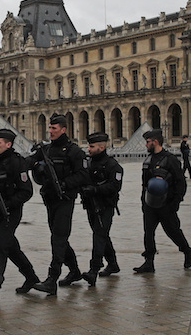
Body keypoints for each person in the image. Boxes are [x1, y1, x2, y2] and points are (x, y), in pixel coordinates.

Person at [0, 129, 40, 305]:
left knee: (0, 248)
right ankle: (31, 277)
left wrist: (8, 203)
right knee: (11, 247)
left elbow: (26, 192)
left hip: (12, 212)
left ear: (8, 144)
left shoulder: (18, 164)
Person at [26, 114, 89, 295]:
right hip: (50, 199)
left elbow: (83, 175)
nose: (50, 131)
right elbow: (30, 160)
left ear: (63, 129)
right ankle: (75, 271)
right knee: (59, 236)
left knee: (58, 238)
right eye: (50, 128)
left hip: (65, 199)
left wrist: (65, 184)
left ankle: (52, 280)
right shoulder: (45, 150)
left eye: (54, 128)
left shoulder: (74, 151)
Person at [134, 129, 191, 274]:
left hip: (167, 204)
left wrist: (175, 203)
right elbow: (145, 184)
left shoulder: (170, 159)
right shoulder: (148, 160)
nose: (146, 145)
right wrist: (144, 202)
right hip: (150, 204)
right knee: (148, 232)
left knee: (172, 231)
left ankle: (187, 250)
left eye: (147, 142)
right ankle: (149, 262)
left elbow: (180, 182)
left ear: (155, 142)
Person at [80, 132, 123, 286]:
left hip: (105, 206)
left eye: (91, 146)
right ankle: (112, 264)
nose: (88, 149)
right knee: (102, 235)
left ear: (102, 147)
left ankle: (94, 270)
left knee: (99, 235)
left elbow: (115, 186)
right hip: (90, 205)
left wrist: (96, 190)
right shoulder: (88, 163)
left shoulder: (113, 165)